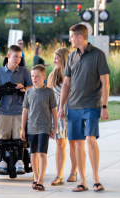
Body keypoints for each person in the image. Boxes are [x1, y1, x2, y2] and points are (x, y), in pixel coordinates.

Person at [59, 24, 110, 192]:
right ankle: (82, 181)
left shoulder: (98, 55)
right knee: (77, 143)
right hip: (73, 107)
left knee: (90, 139)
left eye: (72, 37)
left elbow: (105, 82)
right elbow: (66, 83)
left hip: (92, 105)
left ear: (80, 37)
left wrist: (104, 106)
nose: (70, 40)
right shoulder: (71, 57)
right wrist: (61, 106)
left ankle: (96, 179)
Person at [0, 45, 33, 174]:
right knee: (2, 137)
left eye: (20, 57)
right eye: (15, 56)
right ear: (9, 56)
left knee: (19, 136)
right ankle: (3, 161)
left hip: (20, 110)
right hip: (3, 110)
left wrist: (25, 88)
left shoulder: (24, 71)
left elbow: (33, 86)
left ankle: (20, 161)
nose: (18, 60)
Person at [21, 65, 58, 191]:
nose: (34, 78)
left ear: (44, 77)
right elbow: (25, 111)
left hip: (44, 126)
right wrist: (23, 128)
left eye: (37, 76)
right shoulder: (28, 92)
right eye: (32, 76)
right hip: (31, 127)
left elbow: (54, 111)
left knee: (42, 153)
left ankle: (41, 180)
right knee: (33, 153)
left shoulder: (49, 92)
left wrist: (55, 126)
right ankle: (36, 177)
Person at [47, 47, 78, 186]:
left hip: (72, 111)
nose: (54, 61)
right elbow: (47, 96)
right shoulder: (52, 75)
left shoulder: (74, 73)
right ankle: (59, 175)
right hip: (58, 113)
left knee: (73, 143)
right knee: (60, 144)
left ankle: (74, 172)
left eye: (56, 58)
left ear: (64, 58)